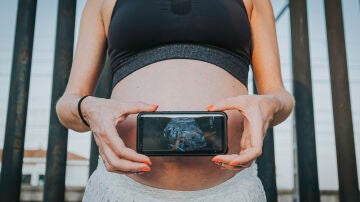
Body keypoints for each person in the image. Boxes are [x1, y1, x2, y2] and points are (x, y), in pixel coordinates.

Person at [55, 0, 295, 201]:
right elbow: (67, 105)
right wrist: (88, 108)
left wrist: (268, 105)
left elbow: (280, 96)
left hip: (231, 191)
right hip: (121, 190)